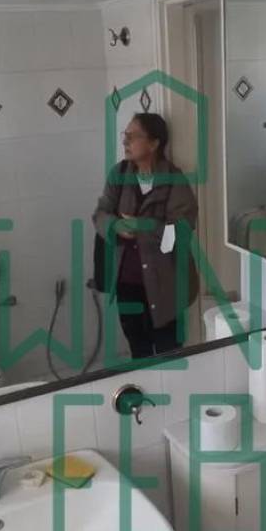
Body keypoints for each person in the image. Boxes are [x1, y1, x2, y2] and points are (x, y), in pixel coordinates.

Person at [93, 113, 198, 359]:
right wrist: (115, 226)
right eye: (125, 135)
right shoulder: (119, 173)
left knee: (169, 353)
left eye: (133, 136)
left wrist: (144, 226)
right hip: (127, 284)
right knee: (138, 351)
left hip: (165, 286)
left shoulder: (173, 180)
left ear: (154, 143)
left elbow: (181, 231)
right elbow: (100, 214)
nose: (125, 141)